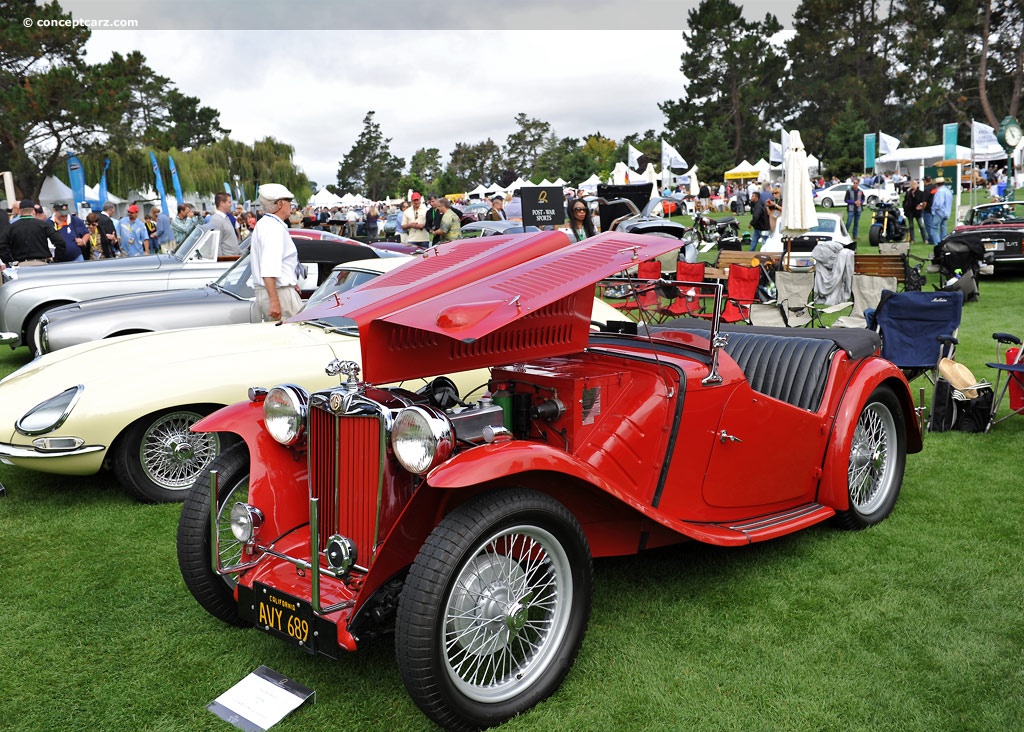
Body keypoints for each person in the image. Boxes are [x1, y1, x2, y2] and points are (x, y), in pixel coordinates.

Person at [251, 183, 302, 322]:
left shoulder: (265, 224)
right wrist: (275, 301)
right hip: (279, 293)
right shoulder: (273, 228)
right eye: (289, 201)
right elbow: (269, 268)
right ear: (279, 204)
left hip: (274, 291)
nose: (291, 205)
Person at [0, 198, 61, 268]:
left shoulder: (11, 227)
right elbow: (60, 242)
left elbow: (2, 245)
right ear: (33, 211)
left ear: (19, 212)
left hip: (21, 265)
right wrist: (57, 259)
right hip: (43, 264)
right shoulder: (44, 225)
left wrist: (10, 261)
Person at [210, 192, 240, 256]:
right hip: (227, 261)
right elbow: (216, 245)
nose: (231, 204)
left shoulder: (225, 218)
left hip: (233, 259)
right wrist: (221, 262)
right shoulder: (216, 220)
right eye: (229, 202)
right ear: (222, 203)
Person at [929, 177, 953, 254]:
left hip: (940, 212)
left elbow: (939, 203)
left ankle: (938, 246)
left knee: (933, 229)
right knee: (943, 229)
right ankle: (943, 244)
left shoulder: (940, 191)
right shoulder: (948, 191)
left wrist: (935, 208)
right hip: (947, 212)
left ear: (936, 184)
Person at [921, 175, 937, 246]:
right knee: (934, 225)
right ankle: (935, 238)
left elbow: (924, 202)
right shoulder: (935, 188)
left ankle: (931, 239)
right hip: (935, 209)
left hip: (928, 210)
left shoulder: (926, 189)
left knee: (928, 225)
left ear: (925, 181)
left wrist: (922, 208)